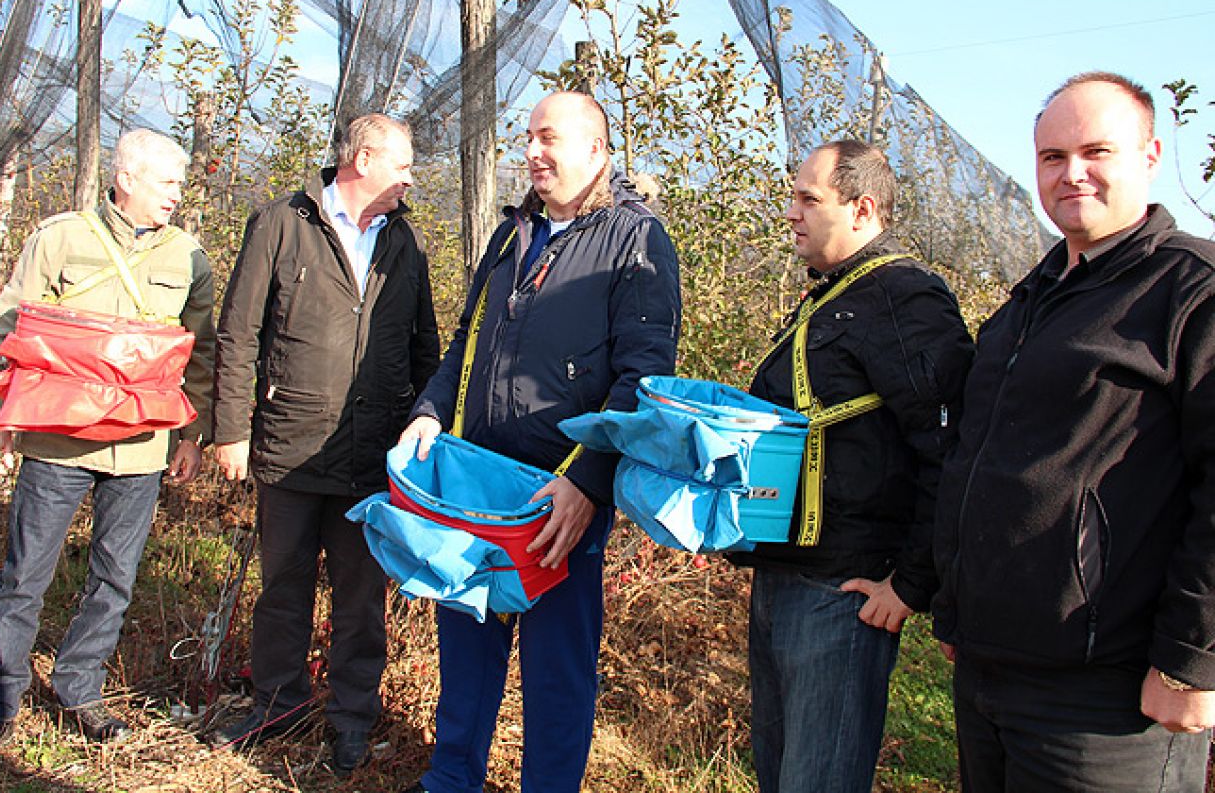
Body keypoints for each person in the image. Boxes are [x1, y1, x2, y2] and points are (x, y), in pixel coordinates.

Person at [932, 72, 1215, 791]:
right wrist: (960, 608)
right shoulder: (1029, 299)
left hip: (1107, 696)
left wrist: (1190, 657)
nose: (1071, 173)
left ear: (1149, 154)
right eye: (1051, 157)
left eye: (1096, 151)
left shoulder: (1190, 290)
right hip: (990, 674)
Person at [398, 91, 681, 793]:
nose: (532, 152)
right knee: (466, 647)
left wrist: (588, 482)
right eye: (527, 137)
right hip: (477, 482)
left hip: (558, 493)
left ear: (596, 150)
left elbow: (644, 378)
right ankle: (450, 778)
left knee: (557, 671)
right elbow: (466, 339)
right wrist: (431, 410)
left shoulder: (635, 239)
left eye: (548, 137)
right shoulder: (511, 234)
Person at [0, 129, 215, 776]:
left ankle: (79, 687)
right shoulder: (61, 237)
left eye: (179, 186)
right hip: (56, 443)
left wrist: (191, 435)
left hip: (140, 449)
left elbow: (201, 351)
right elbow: (8, 328)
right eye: (167, 184)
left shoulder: (189, 255)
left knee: (114, 578)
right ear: (126, 177)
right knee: (23, 578)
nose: (175, 197)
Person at [729, 140, 973, 793]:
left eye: (808, 198)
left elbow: (949, 447)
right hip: (783, 579)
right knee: (779, 775)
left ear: (862, 209)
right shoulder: (829, 296)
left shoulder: (902, 298)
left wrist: (909, 585)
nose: (790, 212)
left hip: (840, 596)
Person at [209, 114, 439, 775]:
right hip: (288, 445)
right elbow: (238, 332)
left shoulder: (404, 240)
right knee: (281, 585)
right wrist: (229, 428)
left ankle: (351, 719)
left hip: (371, 455)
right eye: (401, 164)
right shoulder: (282, 223)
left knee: (360, 597)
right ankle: (277, 703)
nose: (407, 178)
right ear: (363, 158)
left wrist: (428, 426)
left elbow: (425, 345)